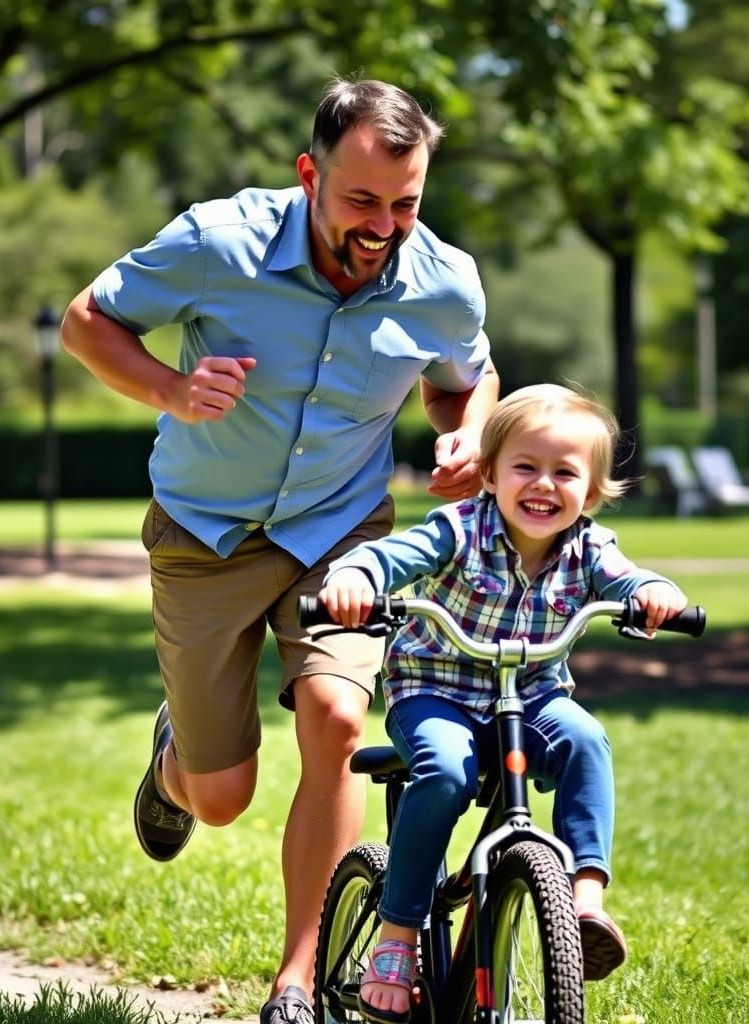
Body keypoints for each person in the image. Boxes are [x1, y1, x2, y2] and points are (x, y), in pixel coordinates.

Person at [59, 76, 499, 1024]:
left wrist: (467, 430)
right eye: (363, 200)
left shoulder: (443, 279)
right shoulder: (219, 241)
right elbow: (87, 321)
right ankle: (177, 755)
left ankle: (297, 981)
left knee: (339, 724)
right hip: (205, 532)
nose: (387, 225)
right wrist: (172, 391)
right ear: (309, 174)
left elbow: (467, 374)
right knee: (220, 798)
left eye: (408, 202)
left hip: (340, 535)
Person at [318, 383, 688, 1023]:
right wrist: (356, 579)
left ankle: (584, 902)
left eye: (565, 473)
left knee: (585, 741)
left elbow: (630, 578)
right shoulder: (458, 531)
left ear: (592, 492)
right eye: (525, 467)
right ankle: (398, 936)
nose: (543, 485)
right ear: (489, 474)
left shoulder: (589, 548)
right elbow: (389, 557)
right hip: (435, 693)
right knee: (447, 771)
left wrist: (655, 592)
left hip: (533, 696)